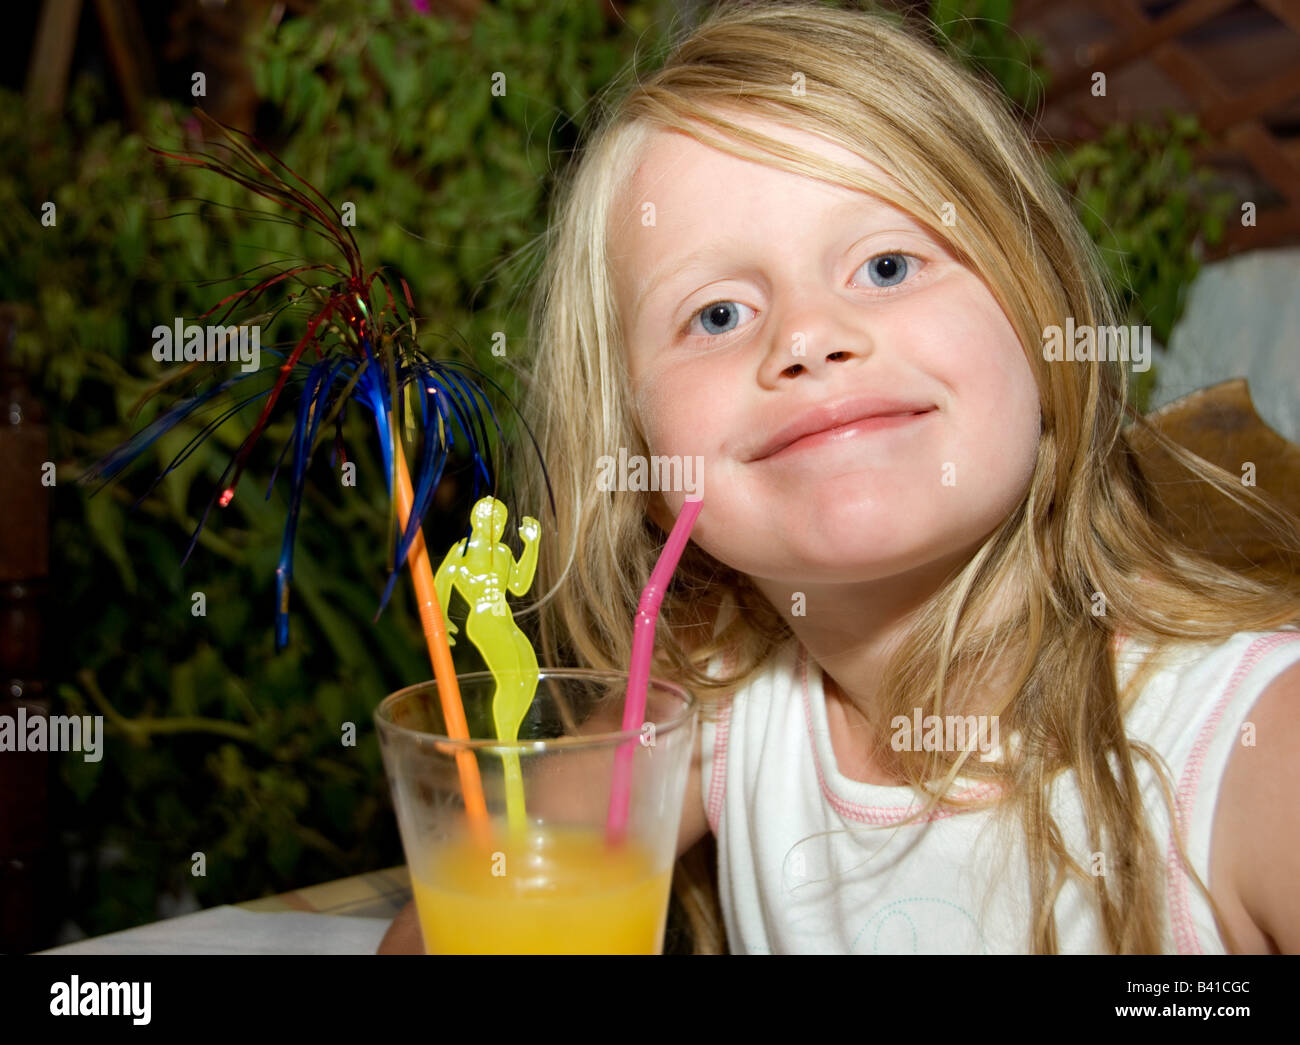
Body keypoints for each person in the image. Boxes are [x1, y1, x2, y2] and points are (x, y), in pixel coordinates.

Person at [380, 0, 1300, 954]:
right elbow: (451, 925)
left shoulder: (1250, 747)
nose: (807, 337)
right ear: (643, 463)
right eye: (720, 315)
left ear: (1044, 322)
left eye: (889, 265)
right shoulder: (718, 695)